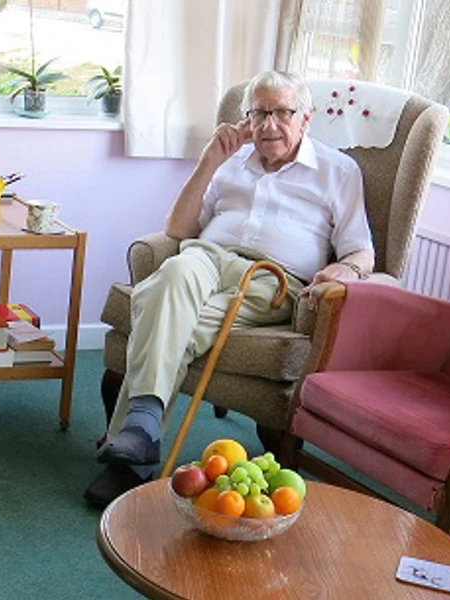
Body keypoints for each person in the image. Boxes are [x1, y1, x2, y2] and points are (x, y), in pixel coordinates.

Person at [83, 71, 375, 508]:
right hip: (205, 257)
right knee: (174, 273)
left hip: (272, 279)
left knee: (162, 313)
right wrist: (208, 162)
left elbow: (361, 251)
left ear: (306, 119)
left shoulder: (338, 171)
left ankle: (133, 452)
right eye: (258, 113)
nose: (268, 125)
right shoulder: (231, 161)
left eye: (281, 112)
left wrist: (346, 271)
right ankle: (141, 435)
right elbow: (179, 229)